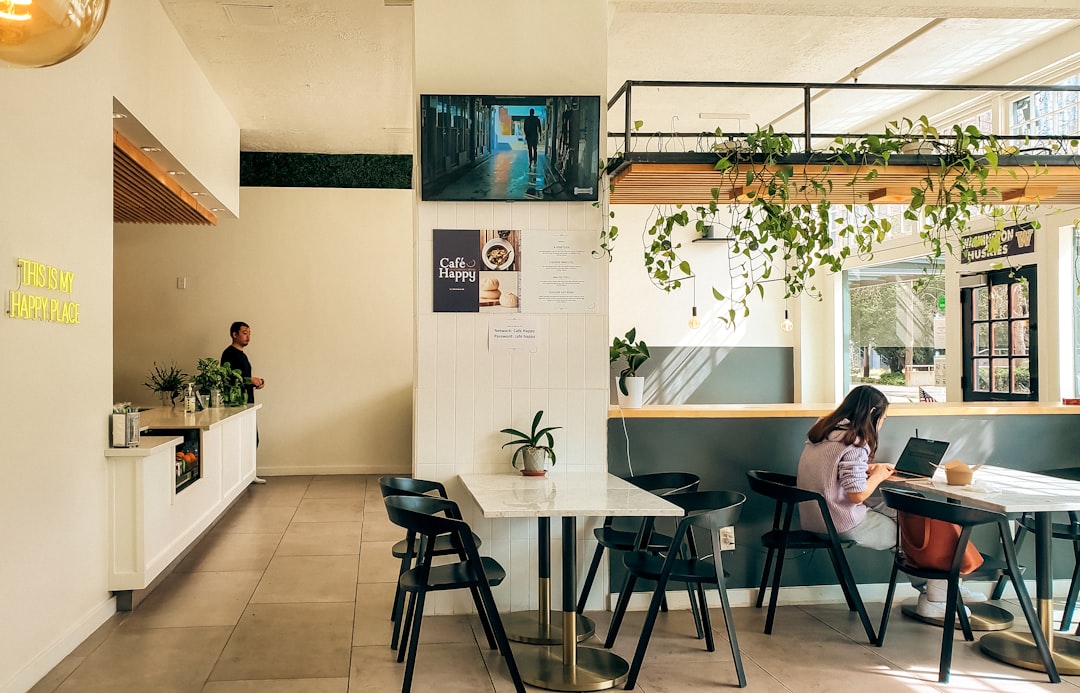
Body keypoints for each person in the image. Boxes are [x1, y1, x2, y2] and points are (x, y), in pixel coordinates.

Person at [796, 385, 985, 618]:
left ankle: (943, 588)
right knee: (913, 533)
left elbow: (831, 472)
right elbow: (857, 495)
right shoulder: (855, 441)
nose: (882, 423)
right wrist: (878, 476)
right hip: (841, 522)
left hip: (816, 517)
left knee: (912, 514)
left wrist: (867, 469)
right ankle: (936, 597)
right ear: (872, 413)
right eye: (883, 418)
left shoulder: (823, 431)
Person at [221, 321, 266, 483]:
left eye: (249, 333)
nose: (248, 336)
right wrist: (250, 380)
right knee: (243, 439)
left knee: (252, 438)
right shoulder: (229, 354)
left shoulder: (242, 355)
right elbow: (229, 378)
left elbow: (243, 378)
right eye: (245, 333)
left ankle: (248, 474)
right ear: (235, 334)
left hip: (247, 401)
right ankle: (241, 476)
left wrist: (255, 382)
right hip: (237, 403)